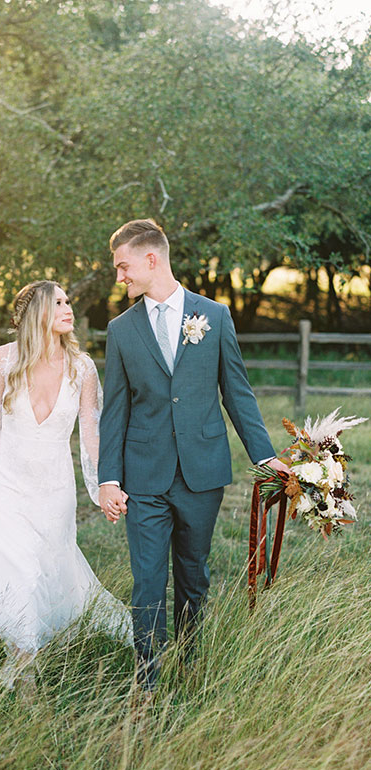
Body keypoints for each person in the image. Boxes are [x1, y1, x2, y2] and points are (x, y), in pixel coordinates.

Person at [98, 219, 289, 691]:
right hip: (143, 475)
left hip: (202, 473)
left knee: (193, 576)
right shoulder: (120, 330)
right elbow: (115, 410)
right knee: (146, 583)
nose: (120, 277)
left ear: (151, 259)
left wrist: (264, 456)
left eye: (123, 267)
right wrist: (109, 479)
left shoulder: (214, 316)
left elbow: (237, 394)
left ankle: (190, 664)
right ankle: (147, 680)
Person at [0, 280, 131, 690]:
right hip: (7, 485)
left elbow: (92, 435)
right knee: (23, 573)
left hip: (54, 491)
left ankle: (17, 667)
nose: (69, 308)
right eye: (59, 302)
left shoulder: (82, 367)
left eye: (69, 301)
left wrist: (105, 484)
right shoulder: (4, 359)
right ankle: (22, 672)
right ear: (37, 313)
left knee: (48, 571)